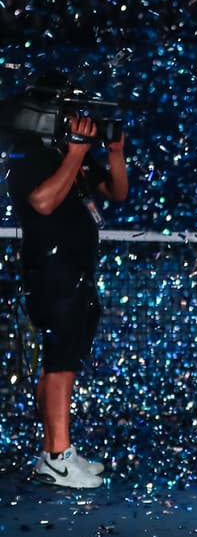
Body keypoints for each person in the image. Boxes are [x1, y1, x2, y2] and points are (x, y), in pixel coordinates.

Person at [5, 72, 128, 489]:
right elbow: (42, 202)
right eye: (70, 111)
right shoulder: (28, 156)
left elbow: (117, 192)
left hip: (76, 273)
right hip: (52, 276)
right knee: (59, 367)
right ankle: (58, 457)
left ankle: (54, 451)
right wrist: (75, 153)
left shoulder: (64, 151)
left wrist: (112, 153)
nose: (78, 119)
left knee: (63, 363)